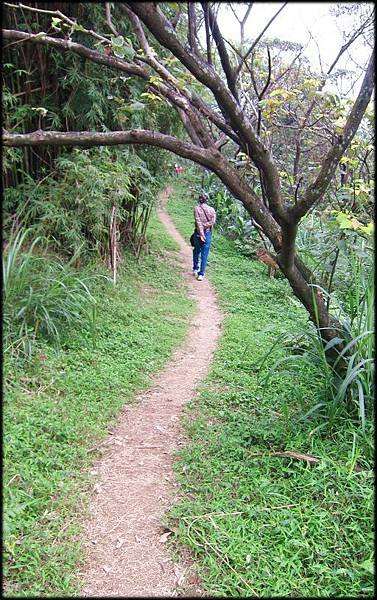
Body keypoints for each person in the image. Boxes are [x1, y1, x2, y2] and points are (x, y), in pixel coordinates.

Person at [192, 193, 216, 281]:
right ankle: (201, 274)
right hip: (208, 233)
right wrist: (205, 227)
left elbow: (198, 223)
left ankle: (195, 268)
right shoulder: (212, 210)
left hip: (198, 233)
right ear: (207, 200)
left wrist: (201, 234)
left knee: (196, 251)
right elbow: (212, 222)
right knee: (204, 254)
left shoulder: (196, 209)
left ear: (199, 200)